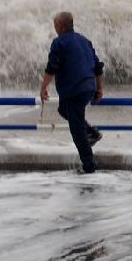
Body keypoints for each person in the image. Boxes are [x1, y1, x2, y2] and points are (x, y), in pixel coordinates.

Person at [39, 11, 105, 174]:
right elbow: (98, 67)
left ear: (61, 26)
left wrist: (43, 87)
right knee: (63, 110)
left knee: (77, 130)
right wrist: (99, 88)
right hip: (88, 87)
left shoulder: (59, 42)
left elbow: (52, 67)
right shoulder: (84, 40)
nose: (54, 28)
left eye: (55, 25)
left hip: (74, 90)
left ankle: (89, 167)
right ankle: (91, 133)